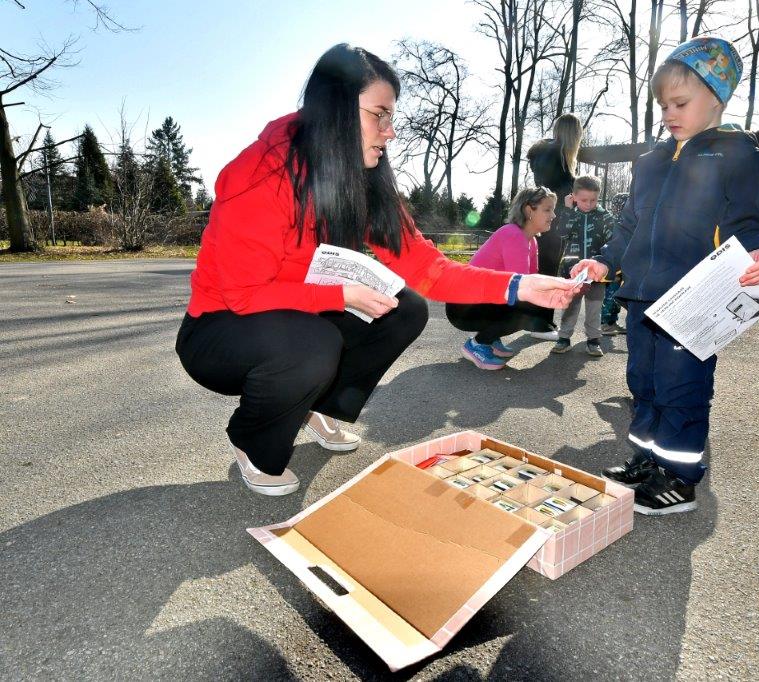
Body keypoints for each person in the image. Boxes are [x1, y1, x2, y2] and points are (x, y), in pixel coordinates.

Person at [176, 44, 574, 497]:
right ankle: (254, 440)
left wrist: (520, 285)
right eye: (379, 115)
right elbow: (242, 295)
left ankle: (318, 405)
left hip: (292, 312)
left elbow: (431, 269)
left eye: (391, 118)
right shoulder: (262, 175)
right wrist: (339, 296)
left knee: (406, 307)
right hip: (218, 330)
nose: (390, 132)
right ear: (338, 111)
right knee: (316, 343)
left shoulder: (362, 177)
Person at [571, 37, 759, 515]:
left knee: (681, 386)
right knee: (642, 381)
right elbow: (630, 222)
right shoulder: (650, 163)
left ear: (717, 97)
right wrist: (604, 260)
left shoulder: (737, 155)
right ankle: (648, 460)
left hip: (693, 298)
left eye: (680, 103)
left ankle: (680, 478)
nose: (669, 112)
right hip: (642, 296)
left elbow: (749, 222)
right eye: (664, 104)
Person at [446, 187, 558, 369]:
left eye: (553, 209)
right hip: (461, 308)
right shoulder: (513, 234)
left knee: (530, 305)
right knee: (527, 312)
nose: (553, 215)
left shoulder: (531, 240)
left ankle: (490, 337)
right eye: (547, 209)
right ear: (529, 210)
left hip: (475, 303)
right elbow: (523, 286)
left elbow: (531, 279)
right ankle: (478, 344)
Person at [526, 113, 584, 340]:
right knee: (547, 270)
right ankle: (541, 325)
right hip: (553, 219)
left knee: (540, 268)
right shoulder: (559, 156)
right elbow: (559, 191)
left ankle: (536, 320)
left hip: (541, 216)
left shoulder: (544, 153)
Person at [550, 175, 617, 357]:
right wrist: (568, 209)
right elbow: (561, 233)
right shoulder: (571, 214)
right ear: (574, 197)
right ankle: (564, 337)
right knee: (571, 306)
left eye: (593, 200)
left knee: (594, 307)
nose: (589, 204)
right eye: (584, 200)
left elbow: (614, 241)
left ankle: (593, 340)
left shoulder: (605, 217)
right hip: (572, 272)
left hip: (596, 273)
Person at [600, 193, 630, 336]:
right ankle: (606, 323)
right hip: (616, 266)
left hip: (621, 264)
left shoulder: (621, 222)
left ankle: (611, 321)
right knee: (612, 294)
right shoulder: (616, 223)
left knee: (616, 295)